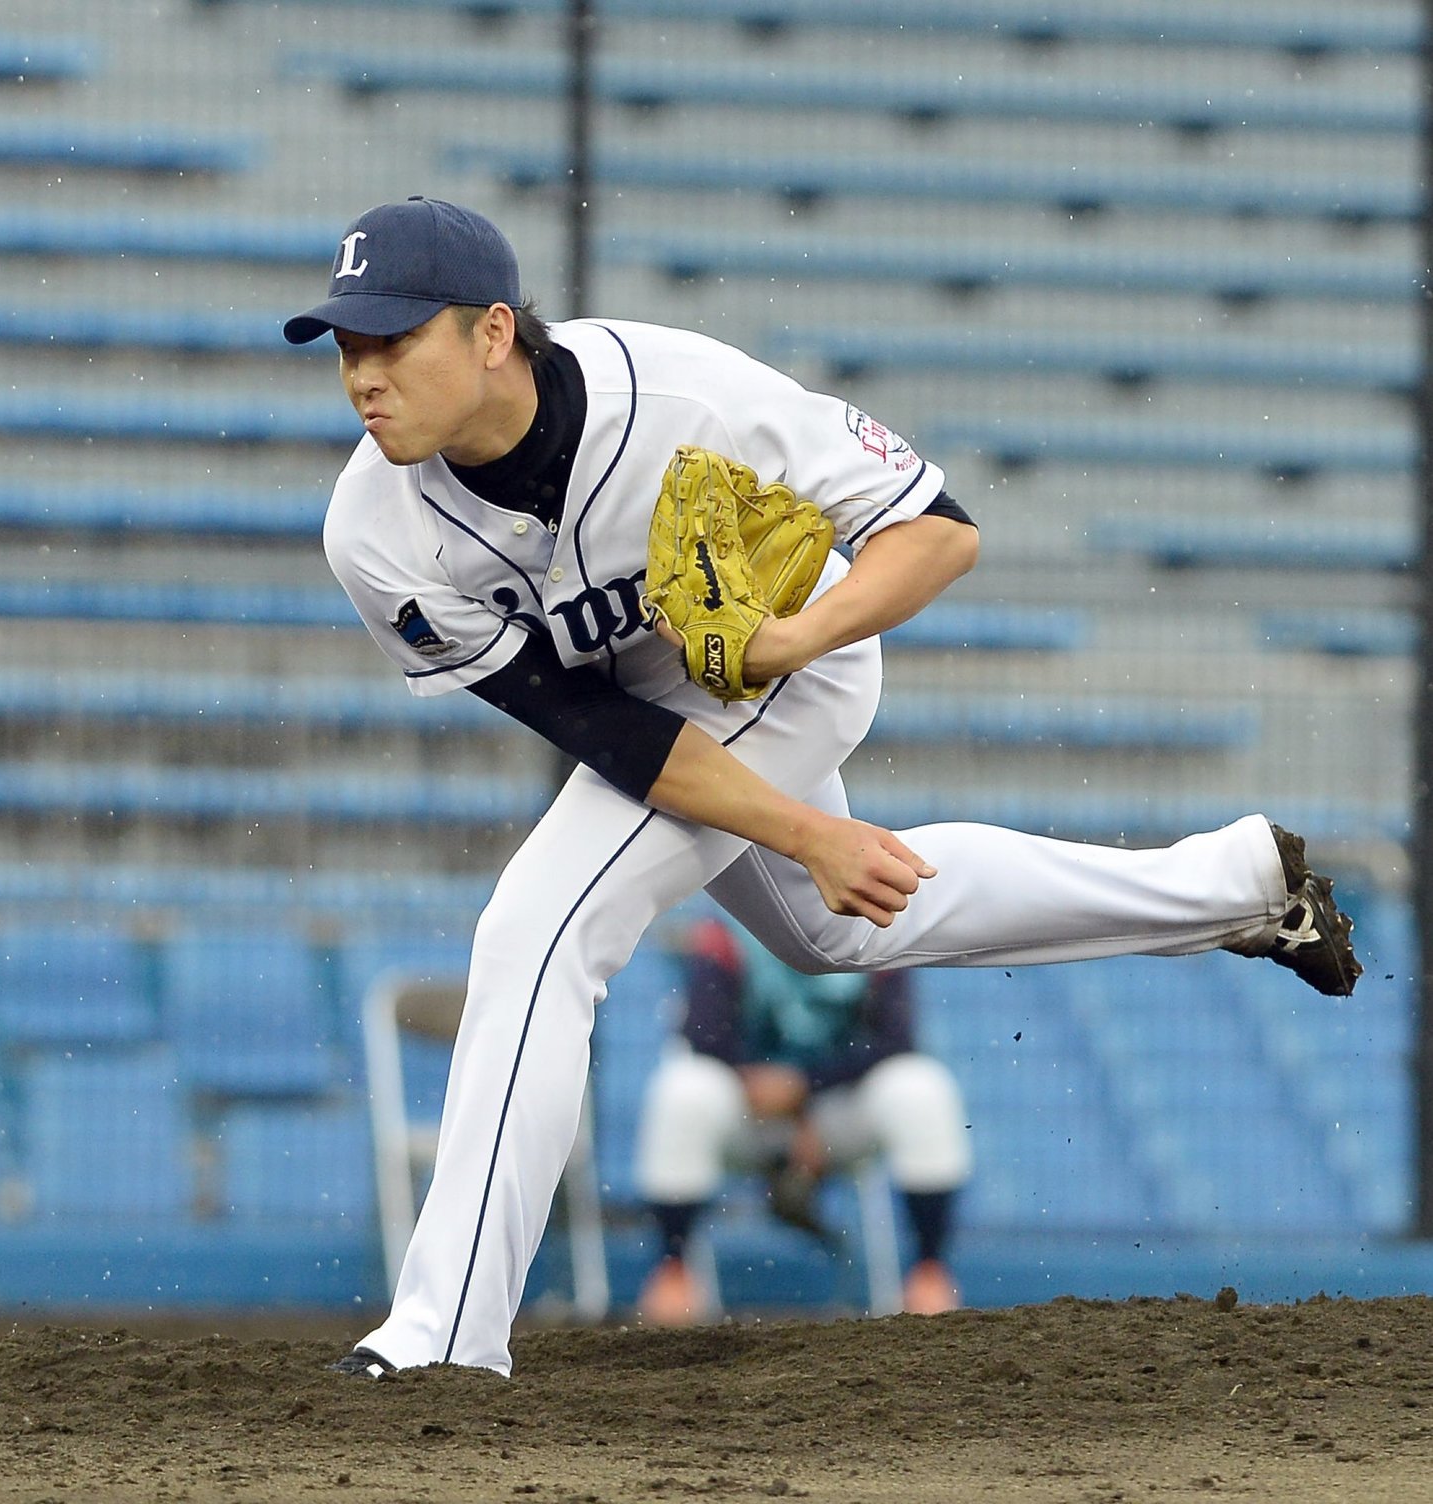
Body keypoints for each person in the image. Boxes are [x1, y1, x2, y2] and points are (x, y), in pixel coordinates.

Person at [281, 196, 1360, 1379]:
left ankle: (443, 1337)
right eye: (346, 346)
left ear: (493, 333)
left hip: (790, 674)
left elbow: (938, 532)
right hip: (656, 720)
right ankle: (1235, 886)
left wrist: (795, 640)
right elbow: (596, 727)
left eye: (392, 341)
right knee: (822, 931)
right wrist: (804, 834)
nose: (362, 376)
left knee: (539, 929)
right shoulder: (376, 535)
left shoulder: (680, 398)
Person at [634, 916, 971, 1324]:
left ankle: (930, 1271)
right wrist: (774, 1091)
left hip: (839, 1115)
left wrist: (803, 1089)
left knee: (921, 1088)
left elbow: (895, 1042)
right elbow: (703, 1037)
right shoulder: (726, 937)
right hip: (749, 1110)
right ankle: (674, 1269)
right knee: (684, 1089)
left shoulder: (877, 935)